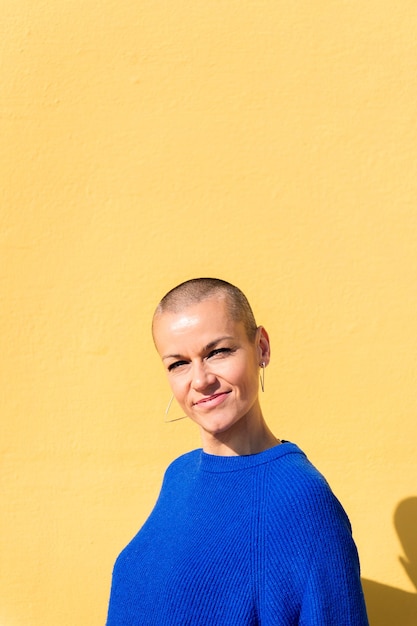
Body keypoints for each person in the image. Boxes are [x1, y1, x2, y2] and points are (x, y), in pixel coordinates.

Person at [106, 278, 369, 625]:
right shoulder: (179, 474)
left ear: (261, 347)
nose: (200, 380)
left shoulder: (301, 500)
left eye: (217, 352)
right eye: (178, 363)